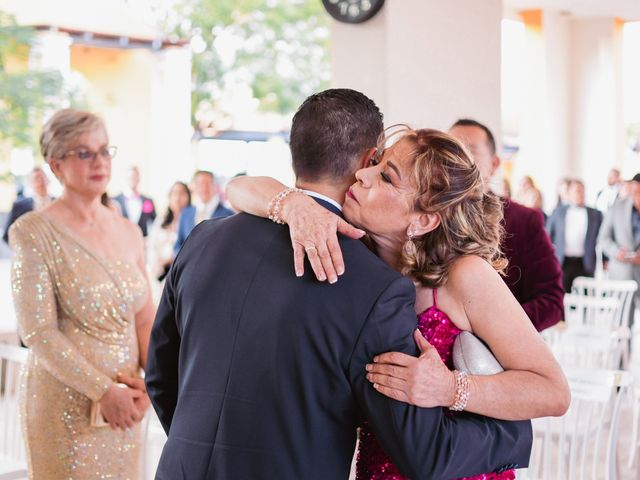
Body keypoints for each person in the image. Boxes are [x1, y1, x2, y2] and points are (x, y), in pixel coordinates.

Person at [146, 89, 535, 480]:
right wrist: (513, 437)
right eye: (379, 165)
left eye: (385, 173)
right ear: (367, 159)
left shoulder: (202, 240)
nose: (370, 175)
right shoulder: (374, 286)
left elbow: (161, 379)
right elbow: (423, 450)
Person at [227, 125, 569, 480]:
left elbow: (553, 391)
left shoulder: (465, 276)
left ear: (423, 220)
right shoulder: (354, 250)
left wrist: (451, 389)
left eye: (386, 177)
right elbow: (239, 189)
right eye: (375, 162)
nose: (362, 174)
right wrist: (293, 204)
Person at [9, 109, 155, 478]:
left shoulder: (129, 231)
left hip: (127, 402)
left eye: (105, 150)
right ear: (56, 164)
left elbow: (145, 316)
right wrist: (103, 390)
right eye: (84, 153)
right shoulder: (33, 231)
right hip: (66, 402)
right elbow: (38, 331)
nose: (99, 161)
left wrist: (153, 382)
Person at [449, 119, 564, 332]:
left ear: (494, 164)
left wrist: (496, 330)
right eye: (450, 150)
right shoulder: (424, 218)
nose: (457, 160)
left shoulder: (523, 220)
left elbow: (551, 300)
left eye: (469, 151)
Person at [547, 179, 603, 292]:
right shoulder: (558, 212)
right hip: (563, 262)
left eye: (582, 191)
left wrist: (606, 259)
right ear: (569, 193)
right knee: (561, 296)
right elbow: (547, 236)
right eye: (576, 191)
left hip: (585, 262)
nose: (580, 193)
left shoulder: (595, 214)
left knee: (586, 297)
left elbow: (602, 237)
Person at [598, 173, 640, 301]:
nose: (637, 196)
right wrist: (616, 252)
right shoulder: (616, 207)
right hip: (620, 275)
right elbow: (603, 238)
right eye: (635, 192)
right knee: (620, 319)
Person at [147, 181, 191, 301]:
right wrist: (156, 264)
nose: (177, 198)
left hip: (180, 275)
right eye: (174, 194)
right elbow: (152, 246)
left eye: (182, 193)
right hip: (159, 273)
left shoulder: (192, 222)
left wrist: (171, 259)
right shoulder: (161, 220)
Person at [174, 170, 233, 253]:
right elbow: (178, 245)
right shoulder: (186, 213)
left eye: (208, 183)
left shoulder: (228, 215)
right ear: (194, 186)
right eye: (201, 183)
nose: (204, 187)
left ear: (214, 186)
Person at [3, 167, 53, 243]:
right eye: (36, 179)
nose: (40, 182)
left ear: (48, 180)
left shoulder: (60, 203)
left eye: (42, 177)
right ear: (29, 183)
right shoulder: (19, 206)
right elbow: (7, 235)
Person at [113, 165, 157, 237]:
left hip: (143, 242)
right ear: (126, 179)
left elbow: (154, 223)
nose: (133, 179)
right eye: (131, 177)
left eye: (135, 177)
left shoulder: (148, 201)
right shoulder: (115, 200)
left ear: (139, 179)